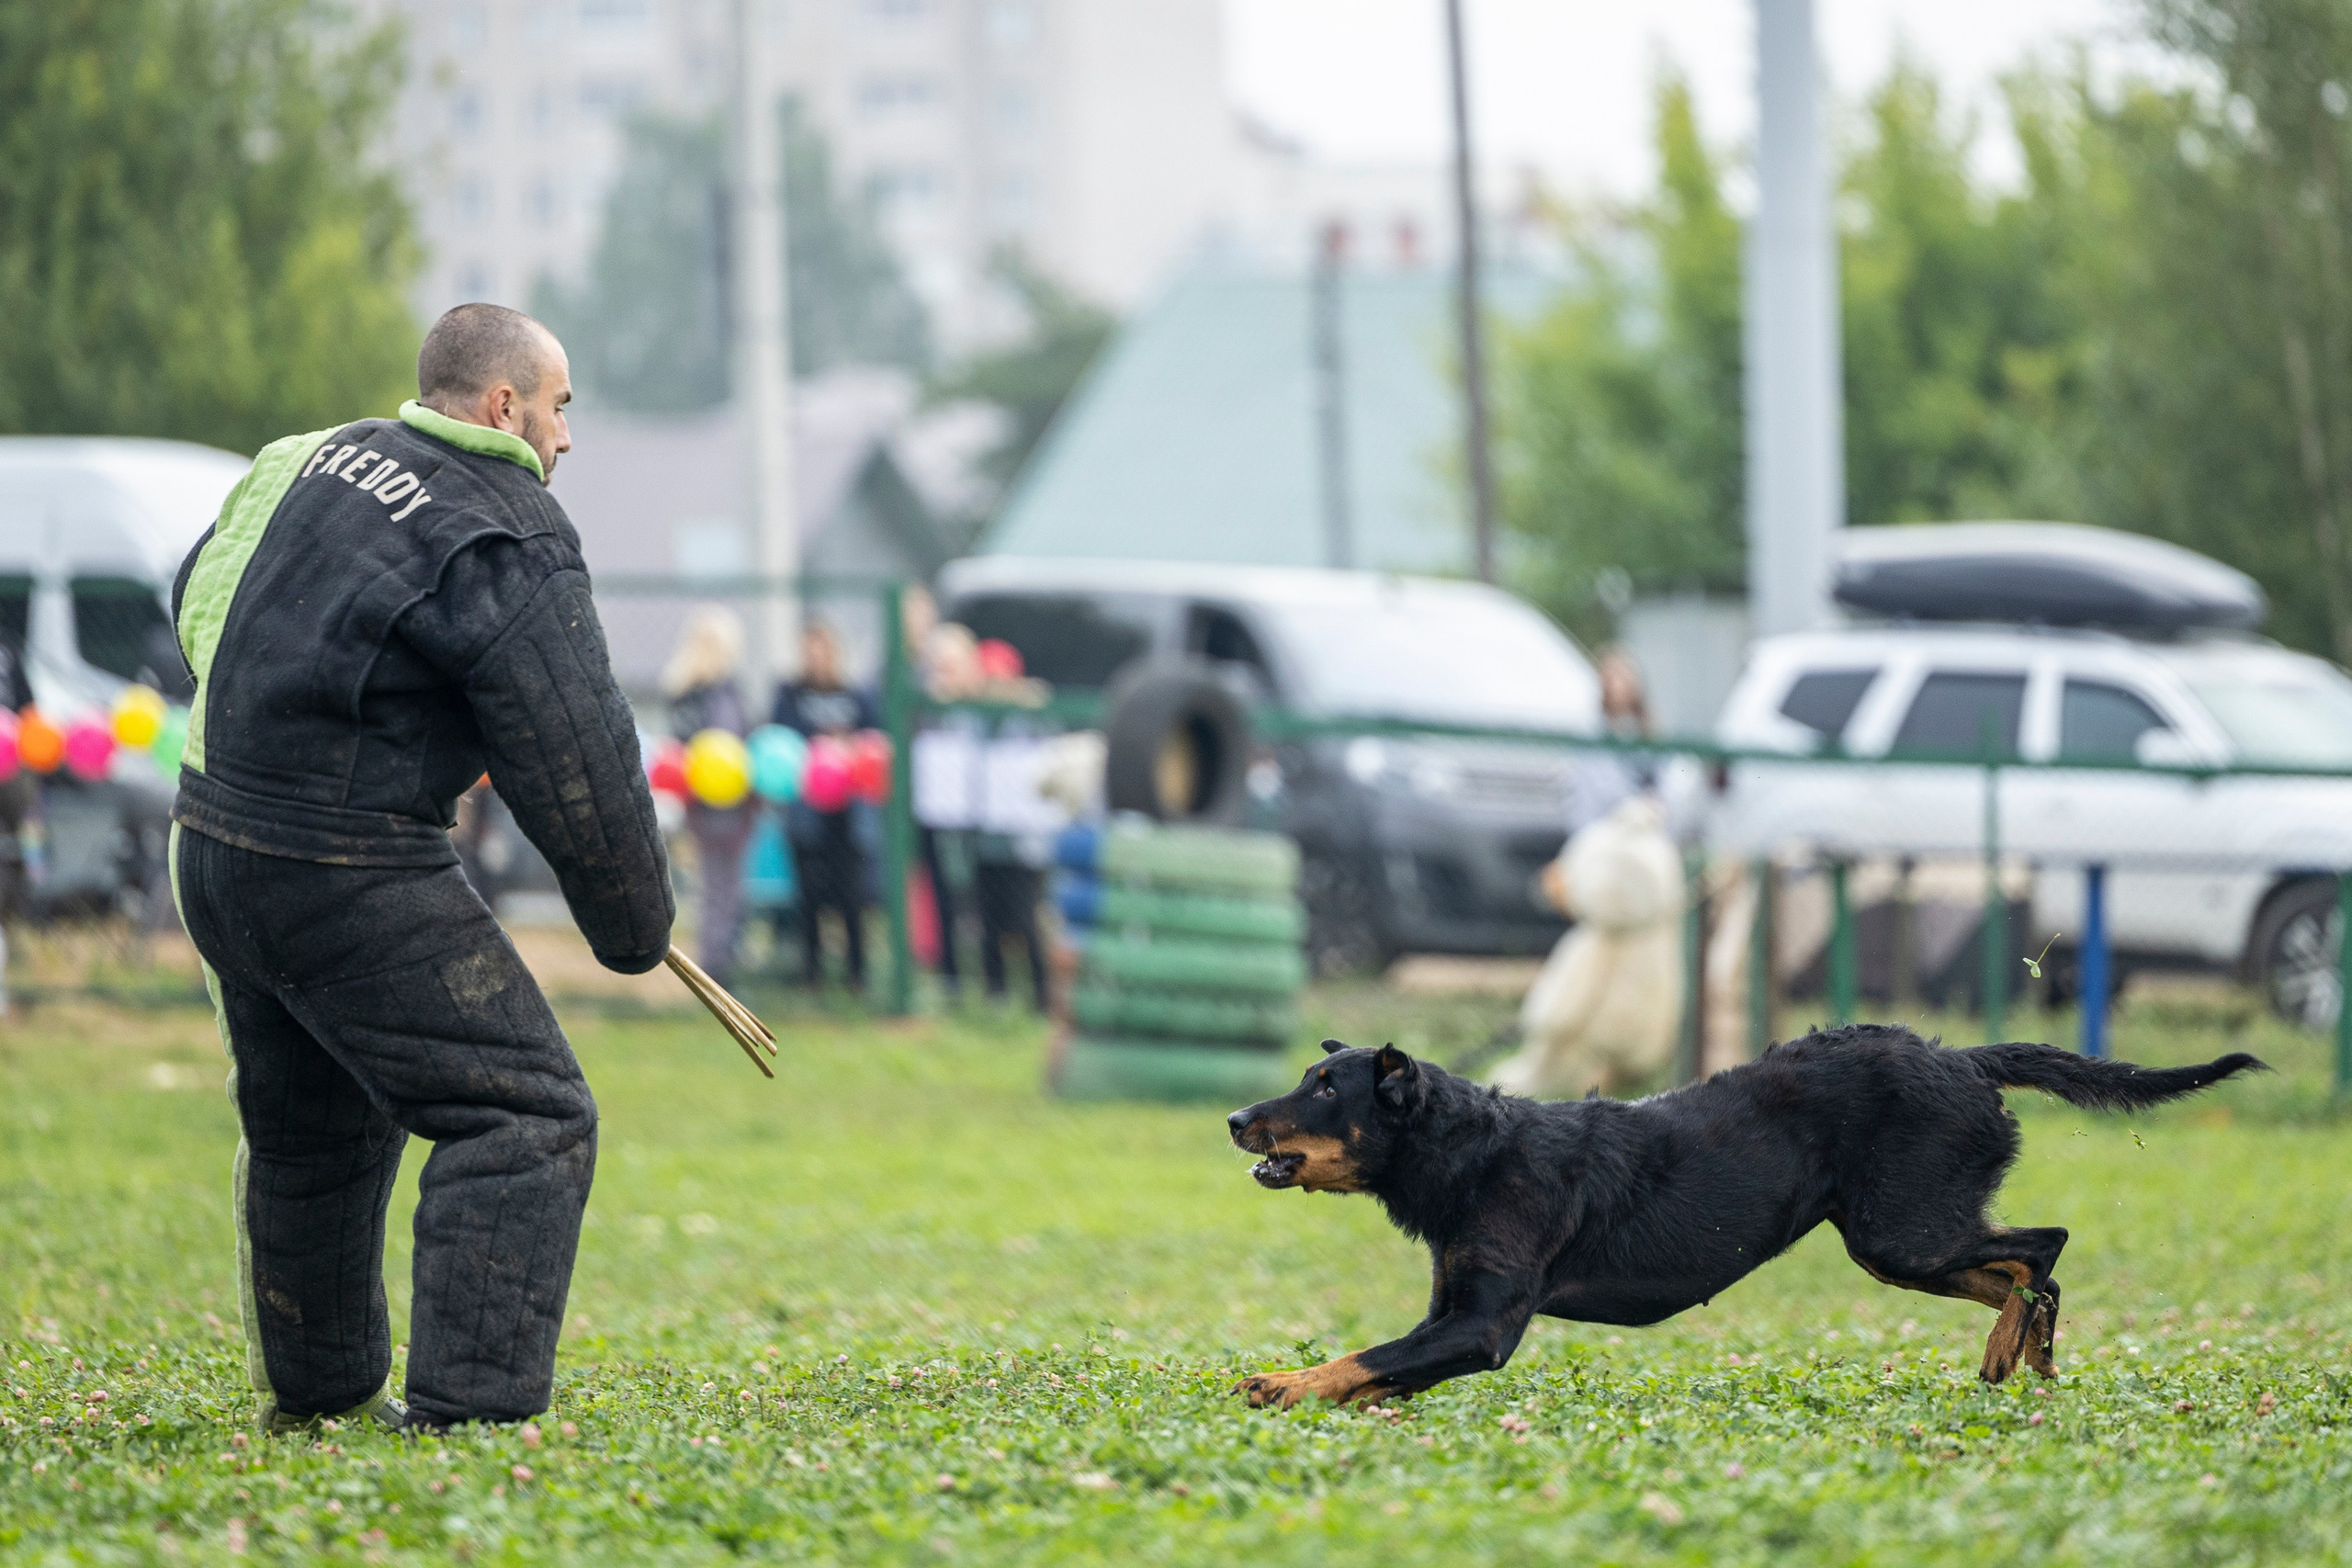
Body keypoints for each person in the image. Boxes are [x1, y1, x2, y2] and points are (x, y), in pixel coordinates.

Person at [168, 304, 673, 1433]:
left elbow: (200, 603)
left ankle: (321, 1389)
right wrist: (635, 928)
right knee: (525, 1113)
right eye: (561, 407)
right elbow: (578, 763)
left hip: (212, 843)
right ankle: (470, 1414)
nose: (567, 437)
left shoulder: (313, 456)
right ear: (505, 407)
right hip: (343, 863)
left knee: (315, 1129)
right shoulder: (506, 530)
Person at [773, 621, 876, 989]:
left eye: (822, 649)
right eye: (809, 649)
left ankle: (856, 973)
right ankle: (811, 972)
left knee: (851, 895)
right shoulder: (789, 694)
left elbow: (873, 739)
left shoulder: (856, 695)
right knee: (809, 896)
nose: (816, 656)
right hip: (806, 813)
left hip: (848, 816)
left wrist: (845, 746)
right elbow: (779, 740)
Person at [663, 605, 756, 989]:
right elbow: (732, 743)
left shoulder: (681, 693)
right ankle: (718, 964)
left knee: (713, 884)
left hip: (697, 803)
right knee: (724, 885)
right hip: (726, 802)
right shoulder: (723, 692)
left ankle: (717, 955)